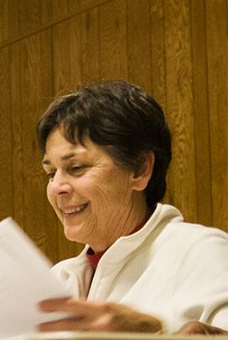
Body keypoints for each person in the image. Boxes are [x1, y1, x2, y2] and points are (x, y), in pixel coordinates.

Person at [34, 80, 228, 335]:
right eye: (50, 173)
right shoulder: (59, 279)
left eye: (77, 167)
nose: (57, 187)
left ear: (139, 169)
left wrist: (154, 332)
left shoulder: (200, 252)